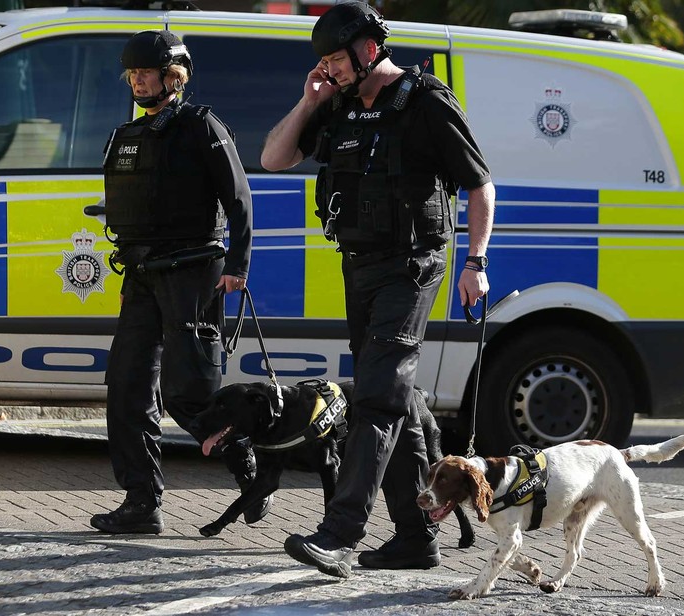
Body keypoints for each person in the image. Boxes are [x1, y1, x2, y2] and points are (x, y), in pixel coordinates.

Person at [260, 2, 495, 577]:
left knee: (375, 397)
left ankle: (340, 534)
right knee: (401, 405)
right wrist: (310, 99)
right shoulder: (336, 104)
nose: (332, 69)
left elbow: (480, 185)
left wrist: (476, 261)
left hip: (413, 264)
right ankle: (416, 539)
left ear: (369, 49)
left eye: (337, 59)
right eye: (325, 62)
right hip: (360, 265)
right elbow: (273, 158)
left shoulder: (425, 102)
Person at [90, 29, 270, 534]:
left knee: (187, 392)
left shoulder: (202, 126)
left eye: (147, 72)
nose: (138, 80)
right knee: (126, 386)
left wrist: (238, 265)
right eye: (133, 73)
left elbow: (239, 200)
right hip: (143, 273)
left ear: (174, 77)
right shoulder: (128, 134)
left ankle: (245, 463)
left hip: (194, 271)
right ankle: (142, 502)